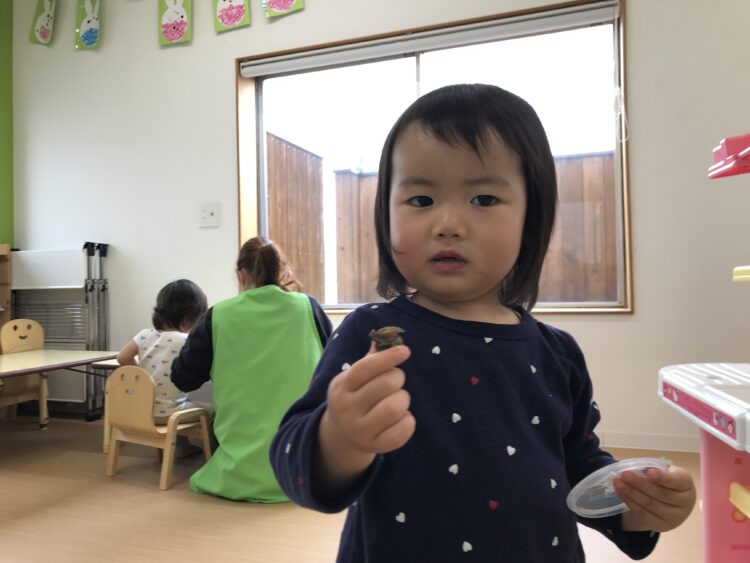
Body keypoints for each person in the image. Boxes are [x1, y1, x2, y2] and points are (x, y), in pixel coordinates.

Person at [270, 84, 696, 562]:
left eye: (485, 199)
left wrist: (639, 504)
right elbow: (291, 457)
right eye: (421, 200)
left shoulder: (557, 353)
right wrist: (339, 439)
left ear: (531, 217)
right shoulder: (371, 335)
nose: (448, 224)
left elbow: (578, 466)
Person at [171, 235, 332, 502]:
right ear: (282, 271)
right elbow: (334, 365)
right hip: (303, 471)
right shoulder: (308, 307)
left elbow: (182, 378)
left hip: (237, 474)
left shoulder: (218, 315)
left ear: (240, 274)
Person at [117, 278, 211, 428]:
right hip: (170, 414)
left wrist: (142, 375)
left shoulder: (144, 335)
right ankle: (193, 443)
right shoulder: (187, 340)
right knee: (211, 411)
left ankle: (175, 441)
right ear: (191, 315)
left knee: (185, 402)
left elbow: (122, 357)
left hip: (141, 411)